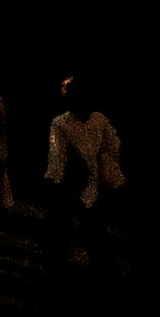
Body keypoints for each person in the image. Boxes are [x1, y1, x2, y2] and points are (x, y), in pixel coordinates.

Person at [42, 68, 126, 271]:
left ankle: (66, 267)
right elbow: (112, 147)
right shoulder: (80, 121)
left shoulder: (83, 121)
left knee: (74, 229)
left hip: (80, 183)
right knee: (89, 229)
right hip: (81, 182)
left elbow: (58, 159)